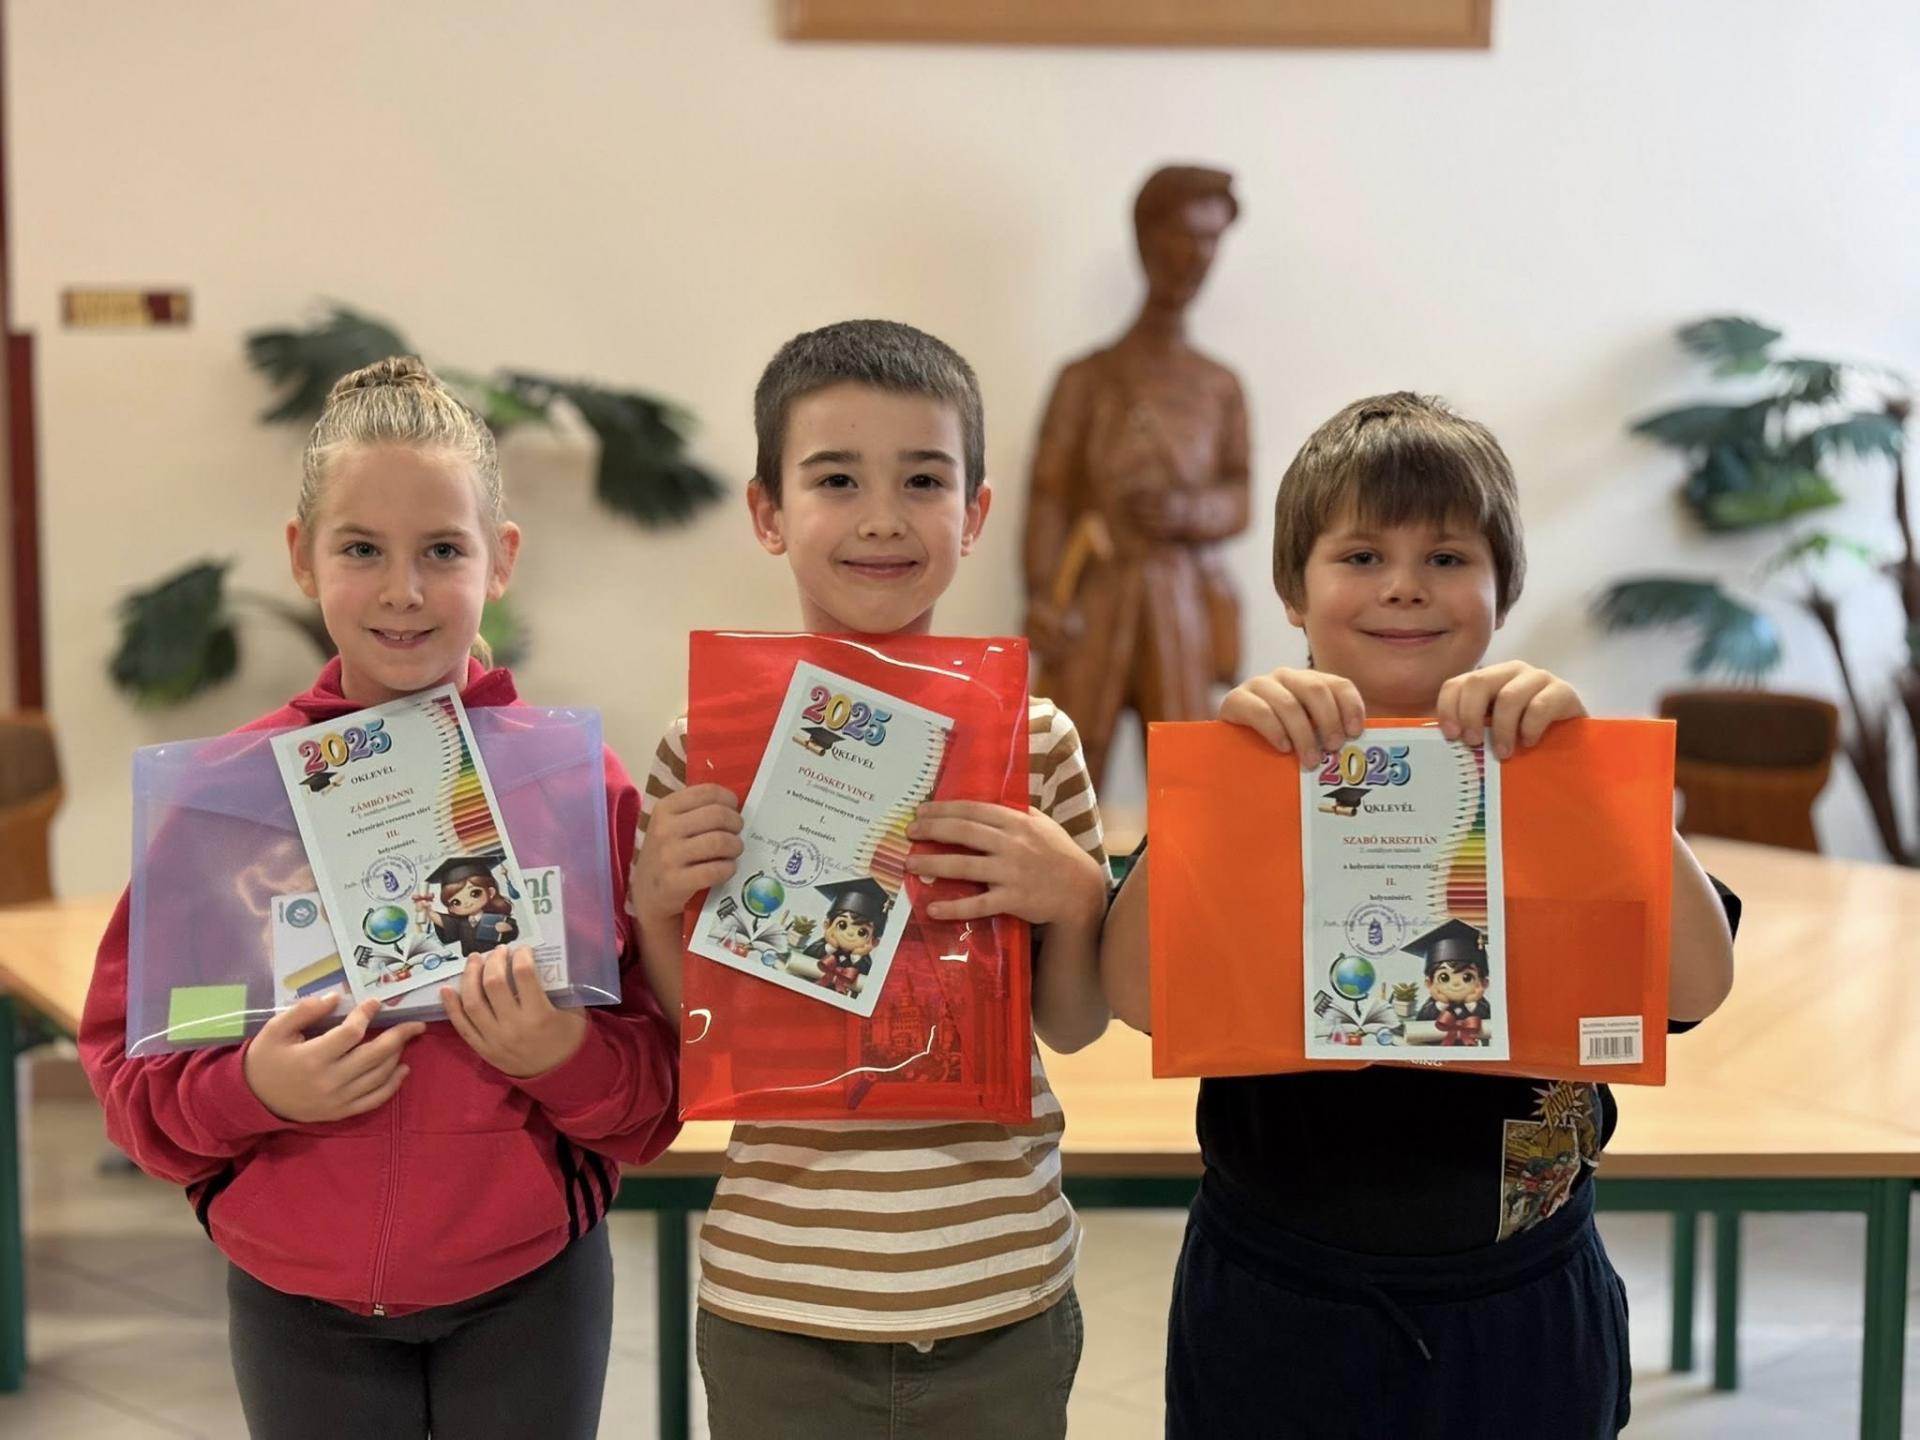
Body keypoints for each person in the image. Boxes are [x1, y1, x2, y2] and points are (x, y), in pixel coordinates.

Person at [1099, 391, 1740, 1439]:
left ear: (1502, 588)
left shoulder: (1550, 772)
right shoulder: (1253, 775)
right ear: (1293, 591)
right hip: (1278, 1294)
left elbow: (1698, 987)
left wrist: (1598, 785)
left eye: (1447, 557)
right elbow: (1135, 995)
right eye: (1361, 556)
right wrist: (1211, 795)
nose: (1404, 585)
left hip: (1524, 1292)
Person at [80, 357, 679, 1440]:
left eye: (442, 550)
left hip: (531, 1289)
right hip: (295, 1300)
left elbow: (653, 1100)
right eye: (362, 549)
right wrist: (253, 1087)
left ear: (501, 559)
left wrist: (562, 1056)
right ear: (302, 556)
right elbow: (136, 1079)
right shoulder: (223, 806)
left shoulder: (575, 789)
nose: (404, 590)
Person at [629, 320, 1112, 1440]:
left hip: (1002, 1285)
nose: (883, 517)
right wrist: (655, 904)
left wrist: (1080, 896)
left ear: (975, 514)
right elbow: (693, 1029)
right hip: (777, 1294)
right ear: (769, 512)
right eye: (836, 479)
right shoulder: (704, 750)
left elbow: (1074, 1023)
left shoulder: (1034, 744)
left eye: (923, 480)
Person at [1023, 164, 1252, 787]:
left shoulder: (1219, 386)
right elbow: (1048, 494)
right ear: (1146, 238)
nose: (1197, 256)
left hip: (1180, 598)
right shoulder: (1085, 380)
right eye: (1184, 234)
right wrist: (1043, 593)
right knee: (1068, 767)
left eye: (1211, 239)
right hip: (1095, 592)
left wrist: (1187, 513)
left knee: (1187, 775)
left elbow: (1240, 496)